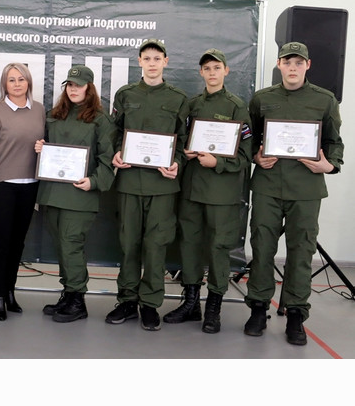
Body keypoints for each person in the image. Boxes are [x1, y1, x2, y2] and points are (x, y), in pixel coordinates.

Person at [244, 42, 343, 346]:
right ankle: (259, 308)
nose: (292, 68)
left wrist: (329, 165)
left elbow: (333, 141)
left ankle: (297, 313)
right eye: (287, 62)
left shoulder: (324, 100)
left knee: (302, 251)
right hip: (268, 185)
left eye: (298, 63)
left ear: (307, 66)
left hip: (306, 188)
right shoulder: (262, 99)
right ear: (279, 64)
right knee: (262, 247)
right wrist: (255, 157)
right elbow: (250, 137)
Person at [162, 49, 252, 332]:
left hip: (221, 194)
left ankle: (214, 306)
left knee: (218, 250)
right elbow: (180, 140)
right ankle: (191, 304)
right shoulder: (191, 105)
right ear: (200, 73)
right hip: (191, 189)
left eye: (216, 67)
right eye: (207, 69)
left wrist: (219, 162)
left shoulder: (237, 107)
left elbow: (246, 155)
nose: (212, 73)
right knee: (189, 245)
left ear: (226, 71)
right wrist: (185, 153)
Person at [106, 39, 189, 331]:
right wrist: (117, 152)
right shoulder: (126, 94)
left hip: (162, 186)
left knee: (156, 246)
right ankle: (127, 300)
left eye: (157, 58)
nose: (152, 63)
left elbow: (183, 139)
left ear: (165, 61)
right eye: (147, 58)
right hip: (129, 182)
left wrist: (177, 162)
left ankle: (150, 304)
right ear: (139, 62)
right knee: (129, 244)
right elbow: (115, 132)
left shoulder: (179, 98)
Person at [34, 65, 115, 323]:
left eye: (79, 85)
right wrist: (41, 147)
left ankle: (78, 300)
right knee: (61, 247)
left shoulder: (100, 120)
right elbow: (46, 149)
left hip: (79, 197)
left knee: (72, 247)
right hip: (52, 194)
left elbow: (109, 161)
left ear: (89, 89)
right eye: (70, 85)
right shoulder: (55, 115)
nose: (74, 89)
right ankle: (68, 295)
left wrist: (94, 182)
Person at [0, 62, 45, 321]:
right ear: (4, 84)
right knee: (1, 242)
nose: (17, 84)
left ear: (29, 82)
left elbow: (42, 146)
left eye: (21, 79)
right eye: (11, 80)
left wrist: (43, 147)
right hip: (2, 184)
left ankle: (10, 292)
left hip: (30, 185)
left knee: (18, 242)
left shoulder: (39, 110)